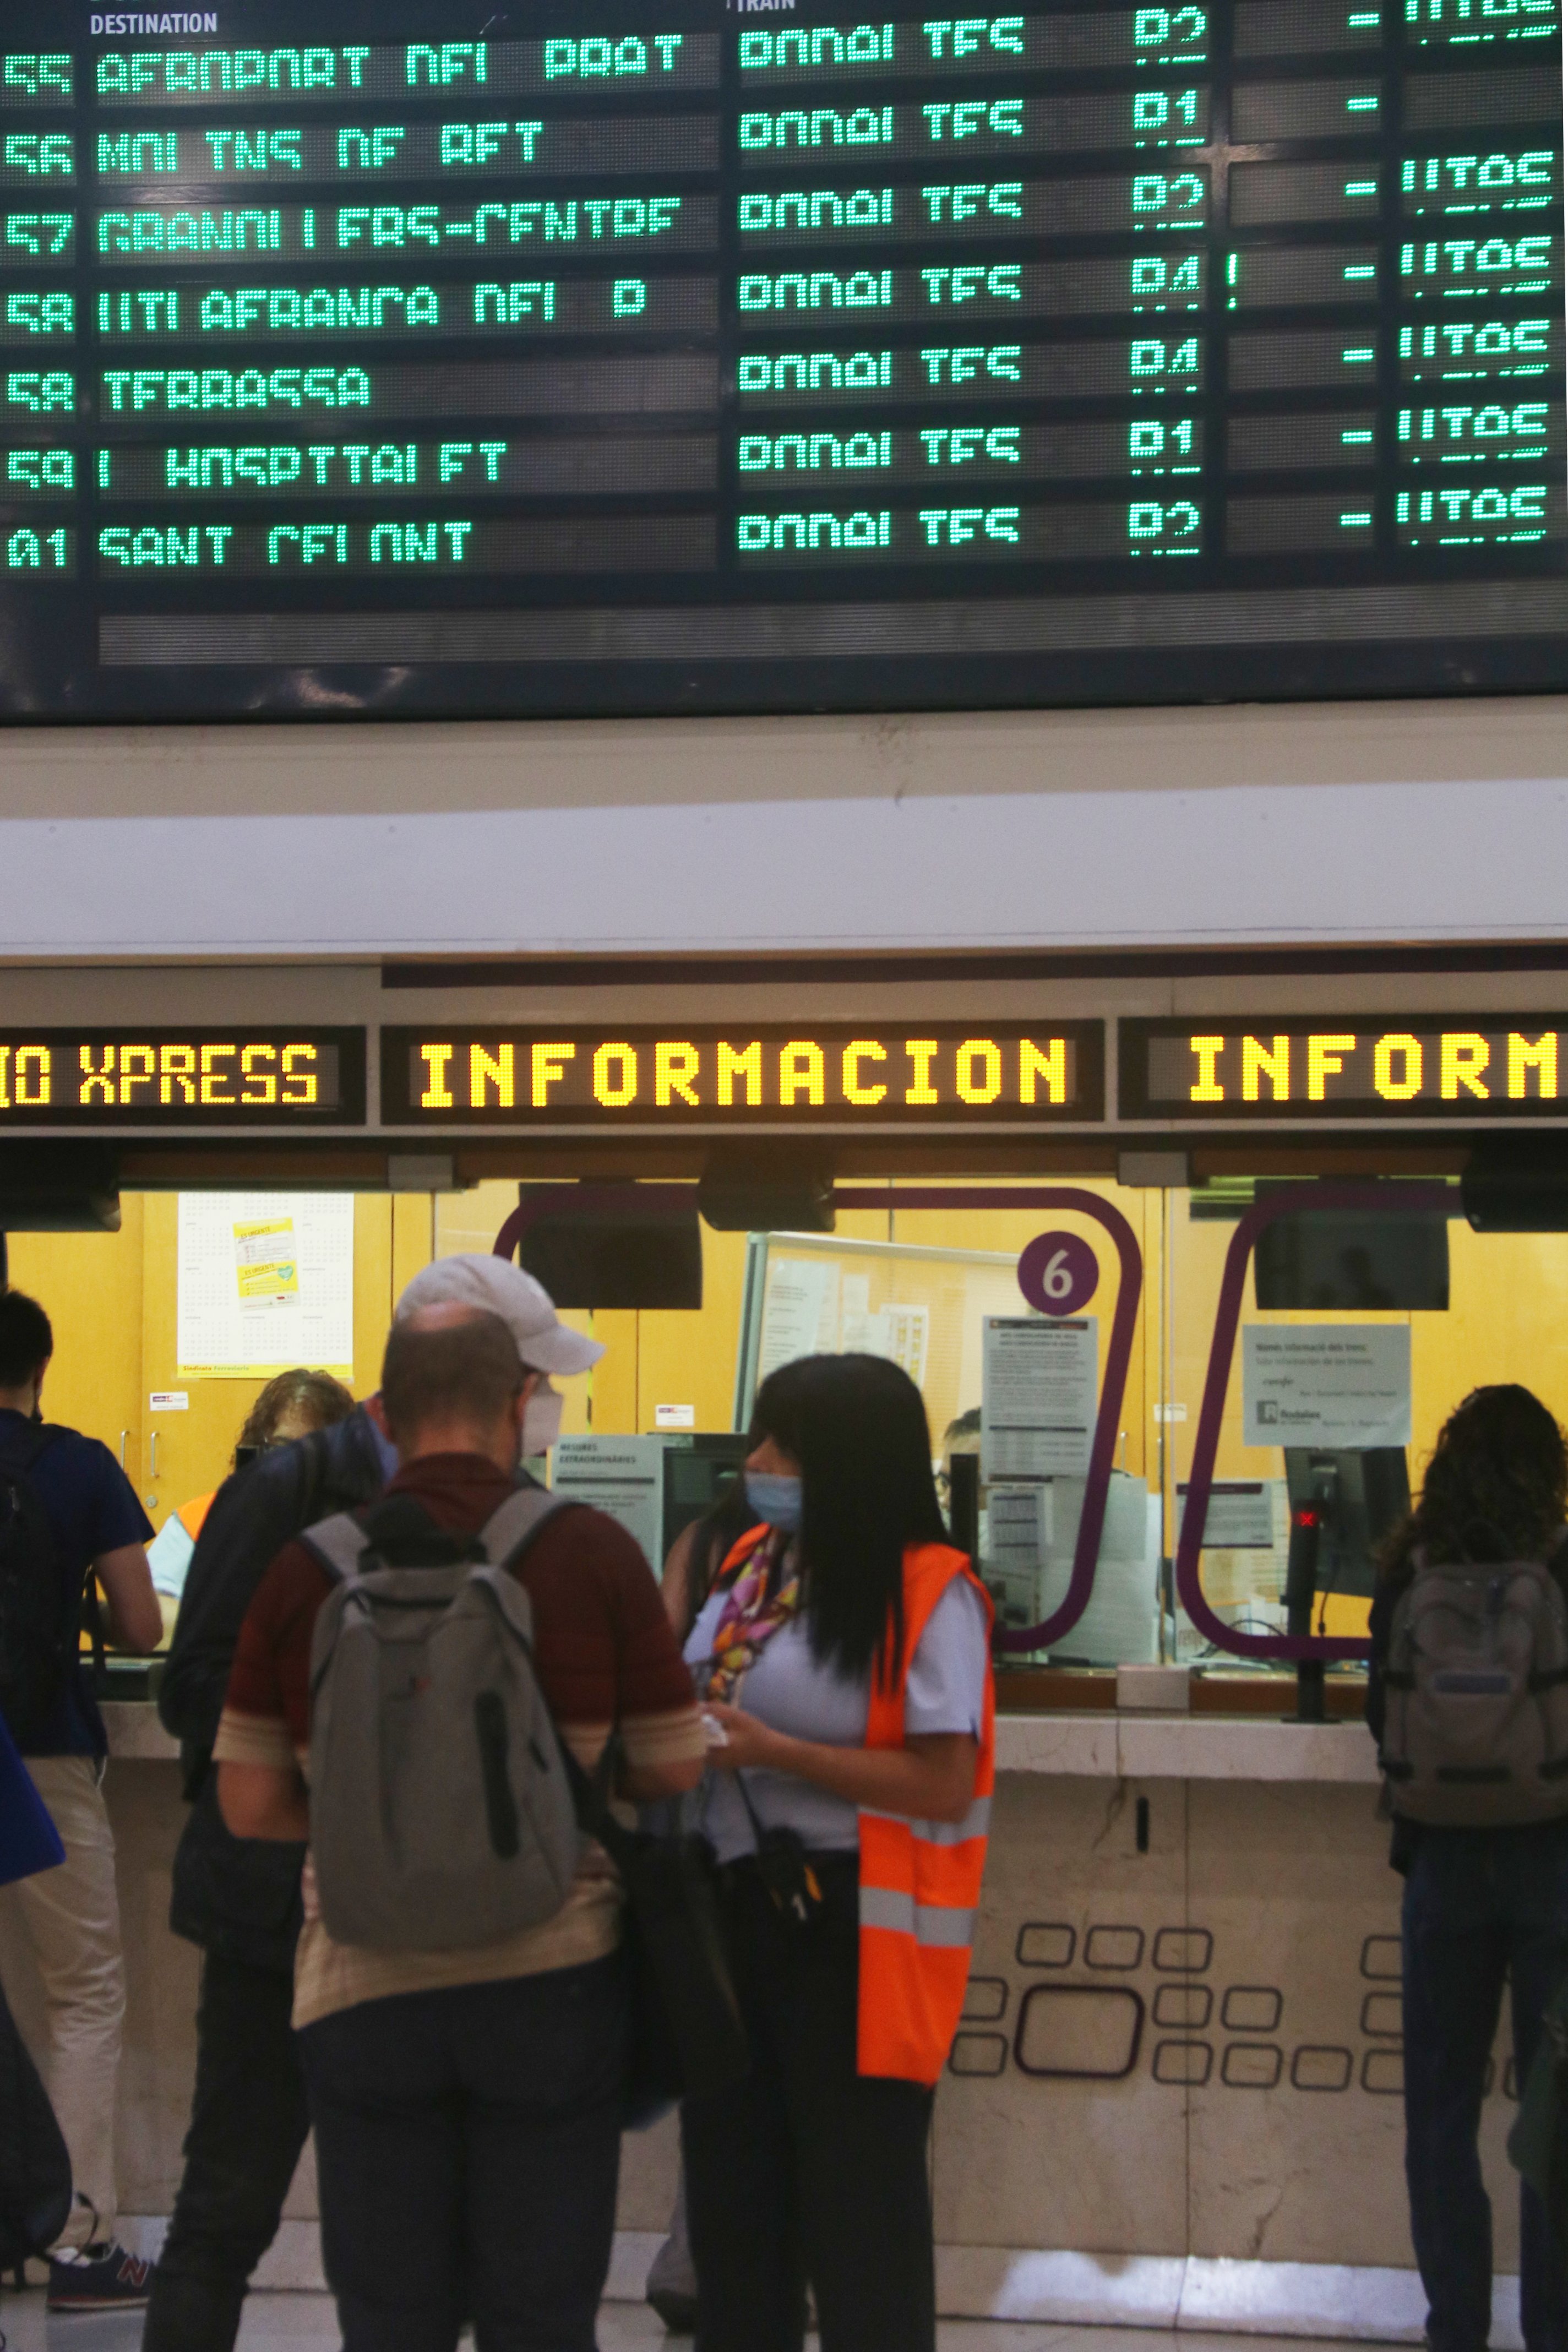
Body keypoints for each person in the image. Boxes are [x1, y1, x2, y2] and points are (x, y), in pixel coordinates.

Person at [214, 1300, 708, 2352]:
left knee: (392, 2323)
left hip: (362, 1984)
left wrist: (370, 1814)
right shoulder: (590, 1551)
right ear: (521, 1401)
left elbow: (247, 1802)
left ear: (382, 1413)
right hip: (553, 1975)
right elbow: (672, 1760)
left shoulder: (308, 1568)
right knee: (540, 2319)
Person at [680, 1352, 995, 2352]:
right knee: (735, 2219)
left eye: (784, 1447)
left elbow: (942, 1781)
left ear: (849, 1463)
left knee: (859, 2228)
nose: (758, 1462)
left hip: (849, 1934)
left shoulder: (927, 1591)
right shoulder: (748, 1567)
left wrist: (779, 1753)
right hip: (728, 1918)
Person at [144, 1369, 385, 2352]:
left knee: (389, 2228)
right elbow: (187, 1677)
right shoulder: (252, 1509)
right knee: (227, 2207)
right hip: (274, 1903)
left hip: (382, 1907)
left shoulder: (449, 1509)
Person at [1368, 1385, 1568, 2352]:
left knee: (1439, 2113)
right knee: (1553, 2115)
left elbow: (1381, 1716)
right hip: (1555, 1867)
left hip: (1441, 1866)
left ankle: (1454, 2328)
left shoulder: (1410, 1571)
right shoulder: (1563, 1568)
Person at [0, 1287, 164, 2312]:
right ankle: (77, 2240)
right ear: (43, 1369)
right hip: (44, 1753)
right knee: (85, 1988)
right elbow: (145, 1626)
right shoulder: (76, 1465)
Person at [145, 1370, 355, 1604]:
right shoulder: (199, 1520)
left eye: (316, 1451)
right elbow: (147, 1616)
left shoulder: (357, 1526)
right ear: (256, 1449)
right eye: (283, 1449)